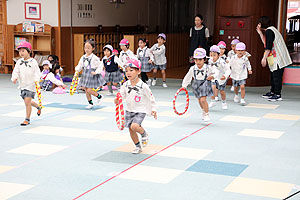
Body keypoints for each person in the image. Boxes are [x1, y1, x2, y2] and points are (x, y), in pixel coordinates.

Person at [114, 59, 157, 154]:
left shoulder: (143, 86)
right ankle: (137, 146)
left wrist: (153, 109)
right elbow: (121, 96)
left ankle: (144, 133)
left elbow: (151, 98)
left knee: (134, 126)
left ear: (138, 71)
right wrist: (118, 100)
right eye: (126, 71)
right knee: (131, 129)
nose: (128, 73)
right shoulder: (125, 85)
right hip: (129, 110)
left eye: (131, 70)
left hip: (140, 110)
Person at [256, 16, 292, 101]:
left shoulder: (269, 31)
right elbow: (266, 43)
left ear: (262, 23)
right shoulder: (271, 30)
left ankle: (277, 94)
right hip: (276, 57)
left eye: (259, 23)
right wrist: (260, 33)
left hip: (278, 58)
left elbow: (268, 47)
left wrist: (264, 58)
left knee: (276, 76)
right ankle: (273, 92)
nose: (258, 25)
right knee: (273, 75)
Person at [182, 48, 218, 123]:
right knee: (199, 100)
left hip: (205, 83)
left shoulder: (208, 67)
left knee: (203, 99)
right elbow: (188, 77)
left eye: (200, 60)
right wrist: (184, 85)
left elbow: (216, 71)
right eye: (196, 60)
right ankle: (203, 111)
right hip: (196, 84)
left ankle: (207, 113)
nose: (198, 62)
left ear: (204, 59)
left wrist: (213, 76)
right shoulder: (193, 68)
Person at [11, 41, 42, 126]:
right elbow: (16, 71)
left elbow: (37, 72)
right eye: (20, 51)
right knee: (27, 101)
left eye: (23, 51)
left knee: (27, 101)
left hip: (31, 85)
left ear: (29, 51)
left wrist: (36, 80)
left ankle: (27, 119)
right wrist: (14, 78)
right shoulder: (19, 62)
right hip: (22, 85)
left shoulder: (33, 62)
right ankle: (38, 106)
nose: (21, 53)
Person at [75, 39, 105, 109]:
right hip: (85, 74)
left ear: (93, 48)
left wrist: (96, 72)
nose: (86, 49)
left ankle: (99, 96)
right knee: (86, 89)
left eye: (88, 48)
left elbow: (100, 65)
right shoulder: (83, 57)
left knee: (89, 90)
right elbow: (80, 65)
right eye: (85, 48)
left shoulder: (94, 58)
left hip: (91, 74)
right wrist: (77, 71)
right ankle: (90, 103)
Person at [208, 45, 231, 110]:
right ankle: (213, 101)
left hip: (221, 78)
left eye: (214, 55)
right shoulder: (210, 61)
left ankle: (224, 102)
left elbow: (228, 70)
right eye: (211, 54)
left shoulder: (222, 61)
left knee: (221, 91)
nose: (212, 57)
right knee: (212, 88)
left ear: (218, 55)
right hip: (214, 77)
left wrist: (225, 76)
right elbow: (209, 69)